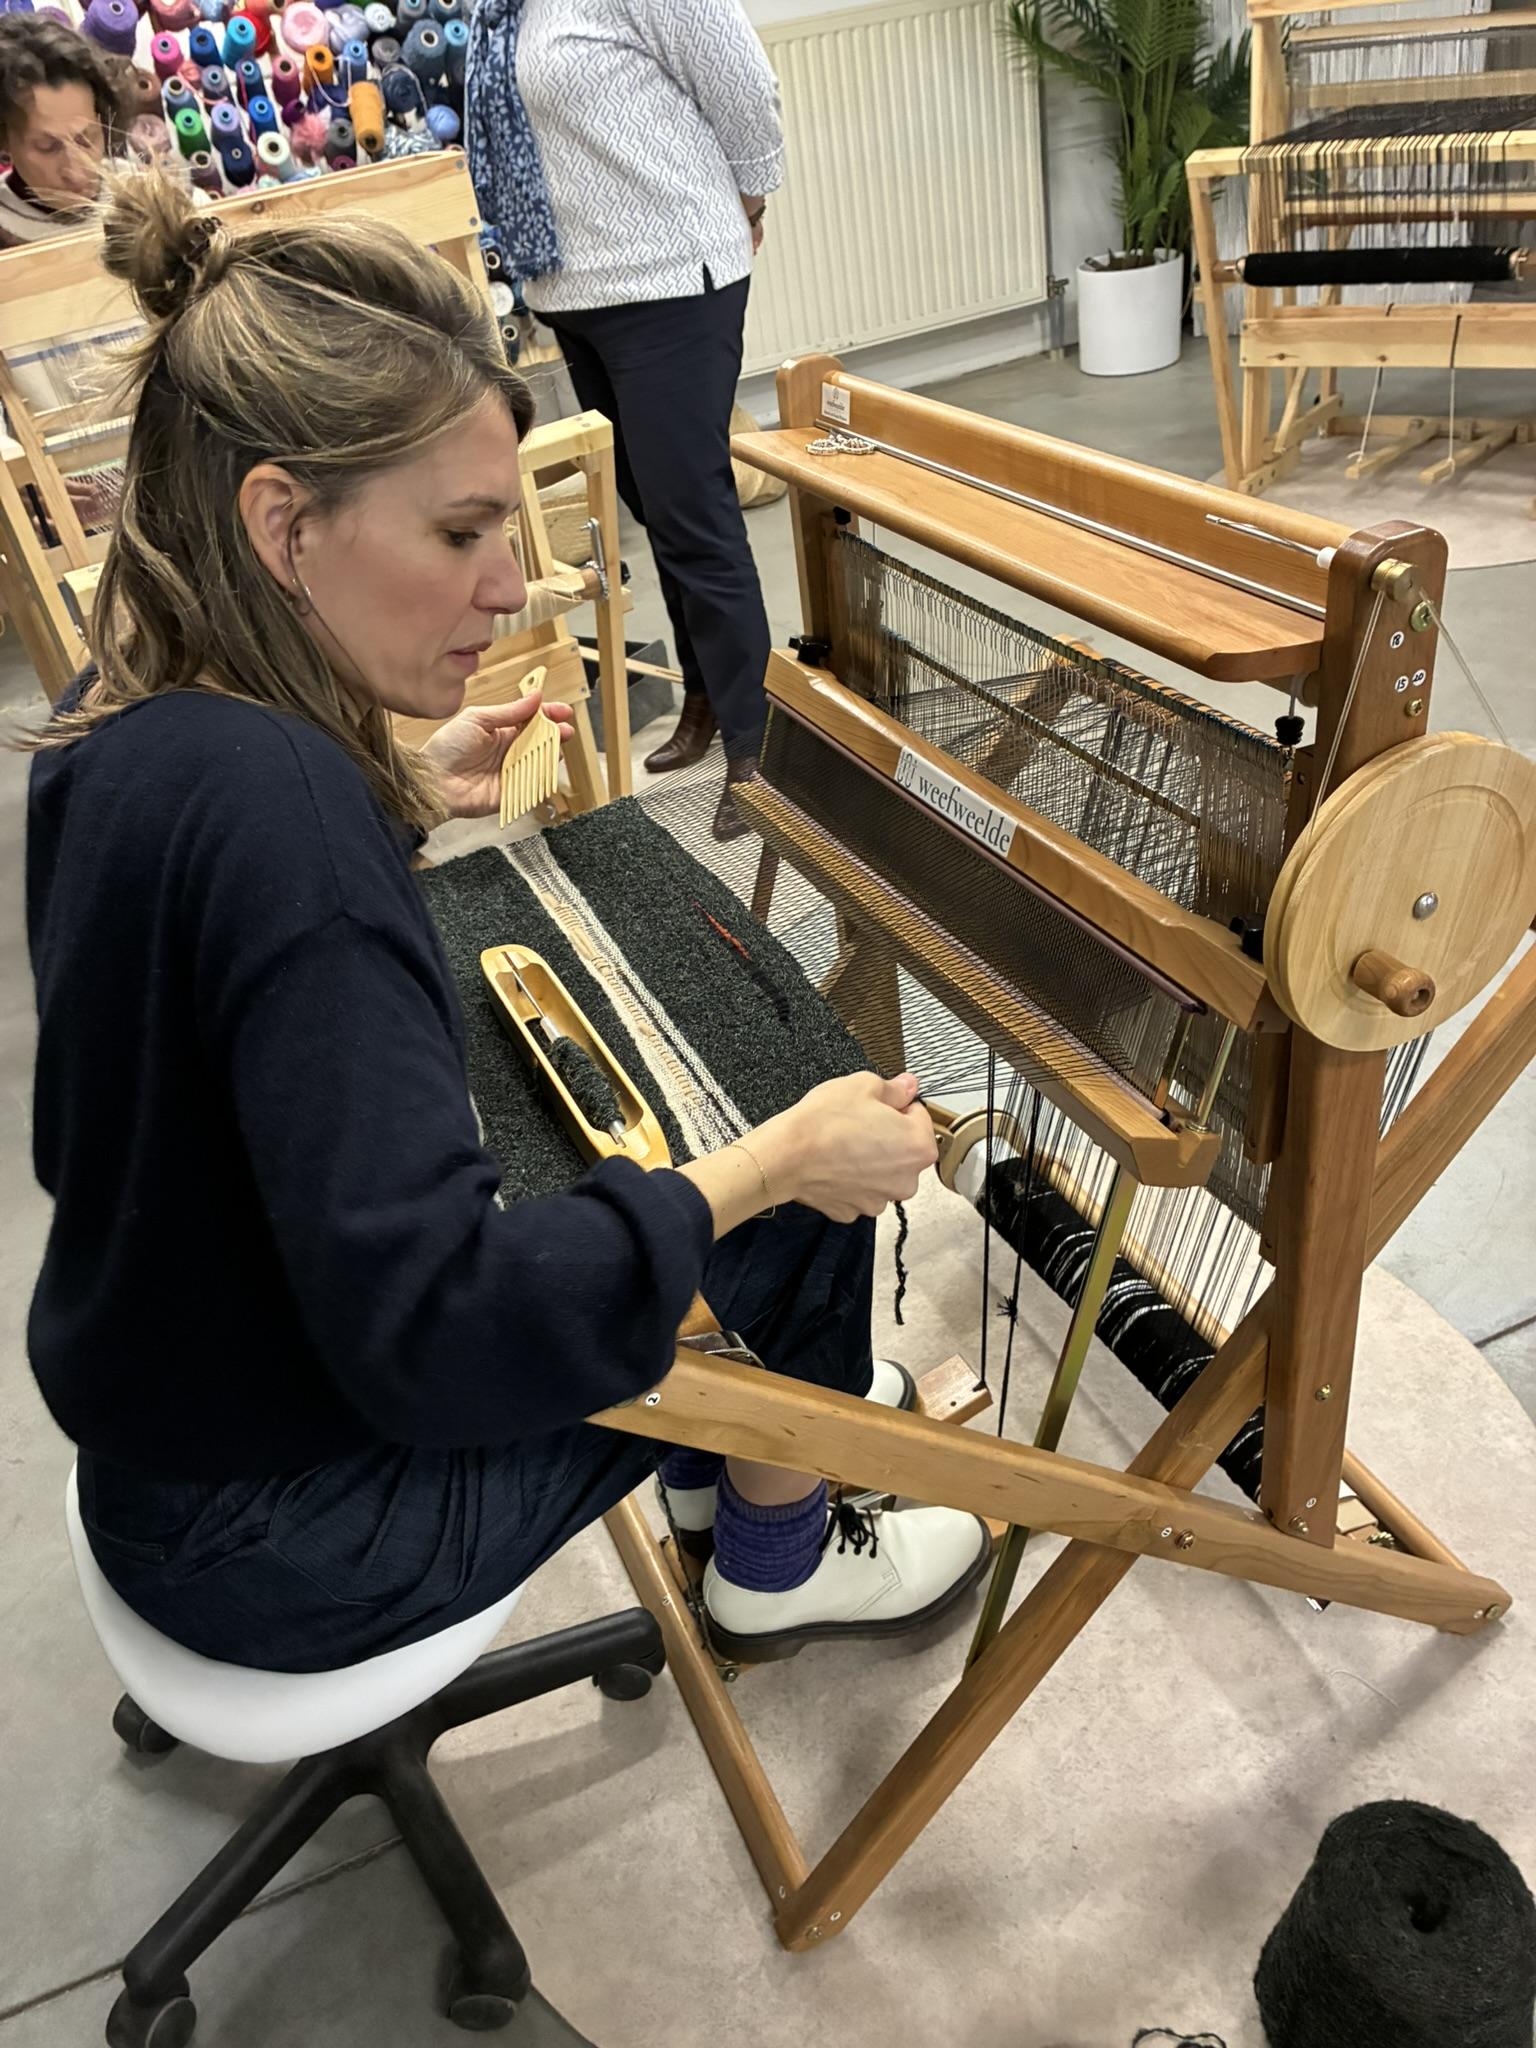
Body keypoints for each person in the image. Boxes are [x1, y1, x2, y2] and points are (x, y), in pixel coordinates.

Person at [24, 169, 991, 1679]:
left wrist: (396, 786)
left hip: (164, 1432)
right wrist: (782, 1159)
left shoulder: (117, 705)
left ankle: (708, 1471)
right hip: (293, 1542)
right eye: (465, 529)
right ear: (282, 523)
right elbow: (444, 1332)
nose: (513, 581)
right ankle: (776, 1564)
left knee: (678, 1193)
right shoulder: (292, 819)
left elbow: (191, 982)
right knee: (796, 1210)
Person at [465, 0, 784, 843]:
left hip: (672, 275)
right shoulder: (503, 8)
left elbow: (746, 84)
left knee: (693, 514)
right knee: (653, 510)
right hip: (577, 292)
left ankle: (762, 747)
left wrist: (747, 200)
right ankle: (705, 699)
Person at [0, 16, 137, 528]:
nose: (77, 168)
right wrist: (20, 483)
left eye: (87, 138)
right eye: (48, 147)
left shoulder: (149, 203)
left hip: (187, 482)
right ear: (7, 142)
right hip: (73, 520)